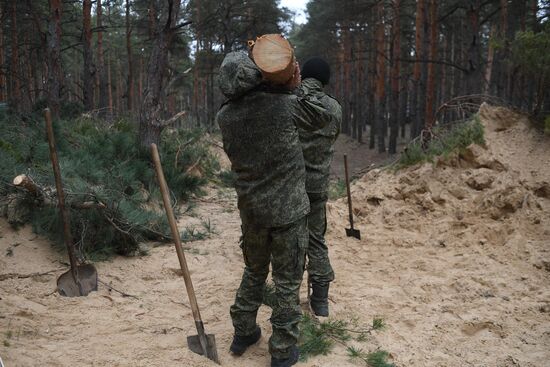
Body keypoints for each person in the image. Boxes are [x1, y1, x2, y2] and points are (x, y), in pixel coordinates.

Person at [216, 51, 332, 367]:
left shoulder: (225, 116)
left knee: (254, 270)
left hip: (251, 211)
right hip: (289, 213)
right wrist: (293, 86)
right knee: (286, 281)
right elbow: (323, 117)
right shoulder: (287, 105)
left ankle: (243, 331)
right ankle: (281, 351)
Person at [297, 57, 342, 317]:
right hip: (318, 185)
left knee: (292, 242)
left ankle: (290, 298)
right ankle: (321, 300)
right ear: (325, 80)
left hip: (291, 186)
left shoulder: (292, 102)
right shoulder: (334, 108)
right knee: (316, 239)